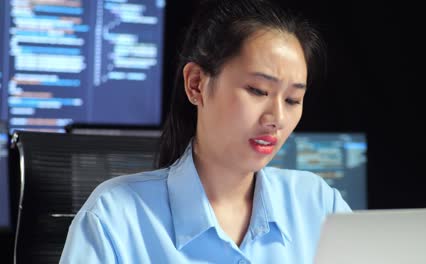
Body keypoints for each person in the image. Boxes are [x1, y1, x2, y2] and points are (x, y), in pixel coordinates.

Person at [60, 0, 351, 263]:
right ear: (196, 84)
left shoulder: (319, 204)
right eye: (257, 90)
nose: (277, 118)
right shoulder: (114, 216)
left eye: (292, 100)